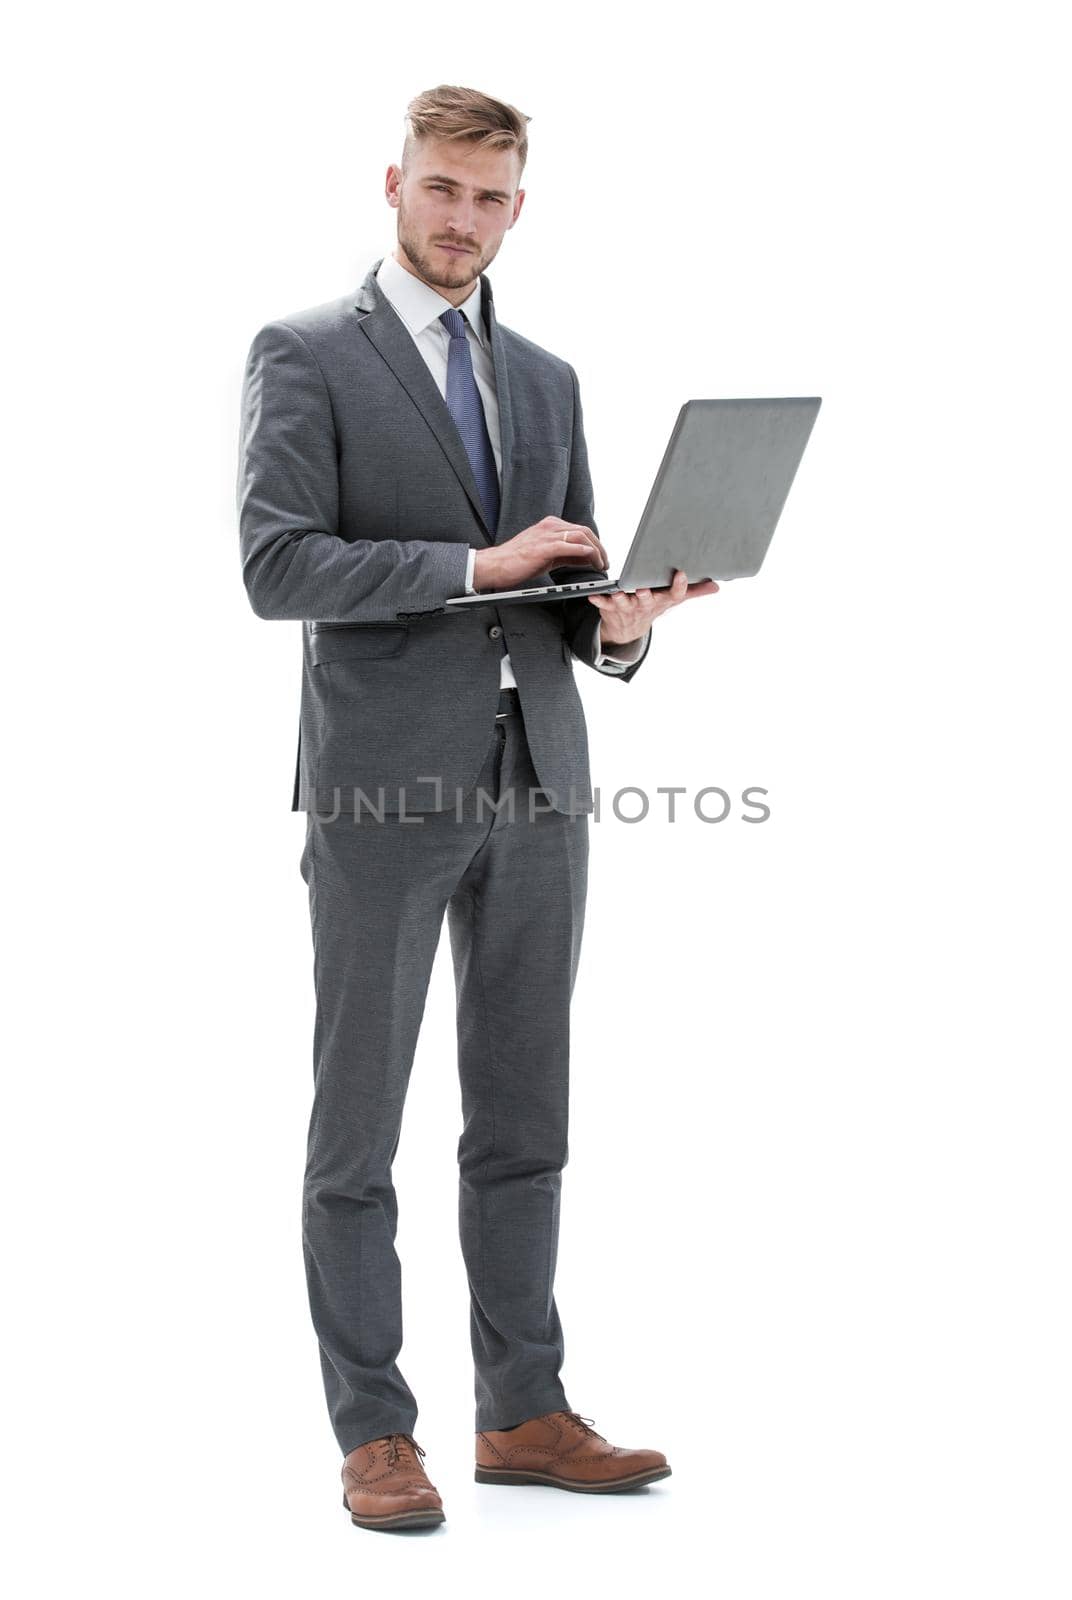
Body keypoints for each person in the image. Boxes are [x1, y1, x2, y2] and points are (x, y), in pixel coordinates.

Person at [236, 82, 718, 1533]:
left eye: (490, 197)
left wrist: (622, 622)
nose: (463, 219)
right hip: (385, 784)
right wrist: (473, 568)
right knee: (358, 1129)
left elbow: (562, 593)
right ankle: (377, 1432)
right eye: (442, 189)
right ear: (394, 185)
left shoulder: (550, 376)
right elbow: (278, 569)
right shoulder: (308, 352)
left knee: (524, 1117)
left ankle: (521, 1408)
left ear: (520, 206)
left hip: (540, 788)